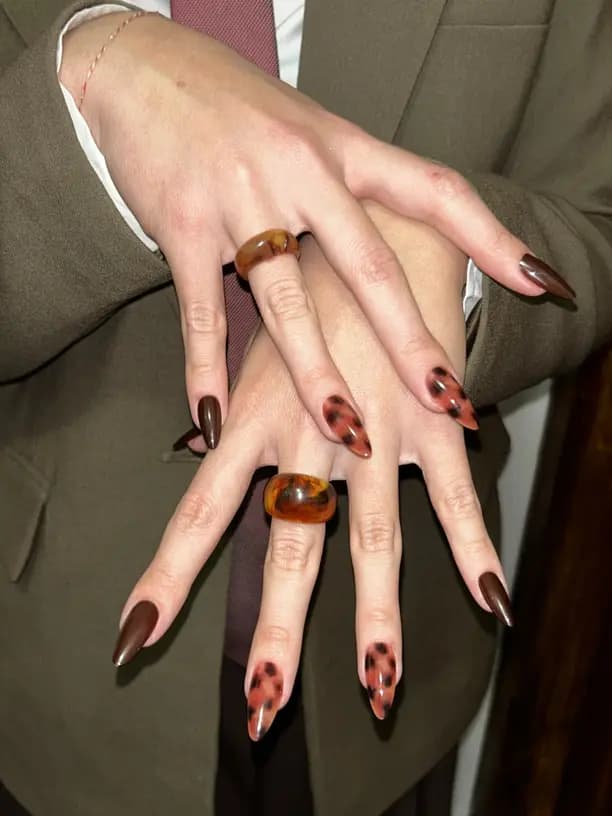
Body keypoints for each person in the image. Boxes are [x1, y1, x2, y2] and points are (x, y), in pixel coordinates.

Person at [1, 1, 610, 814]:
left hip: (391, 655)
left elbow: (592, 216)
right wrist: (91, 82)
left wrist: (429, 262)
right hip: (44, 649)